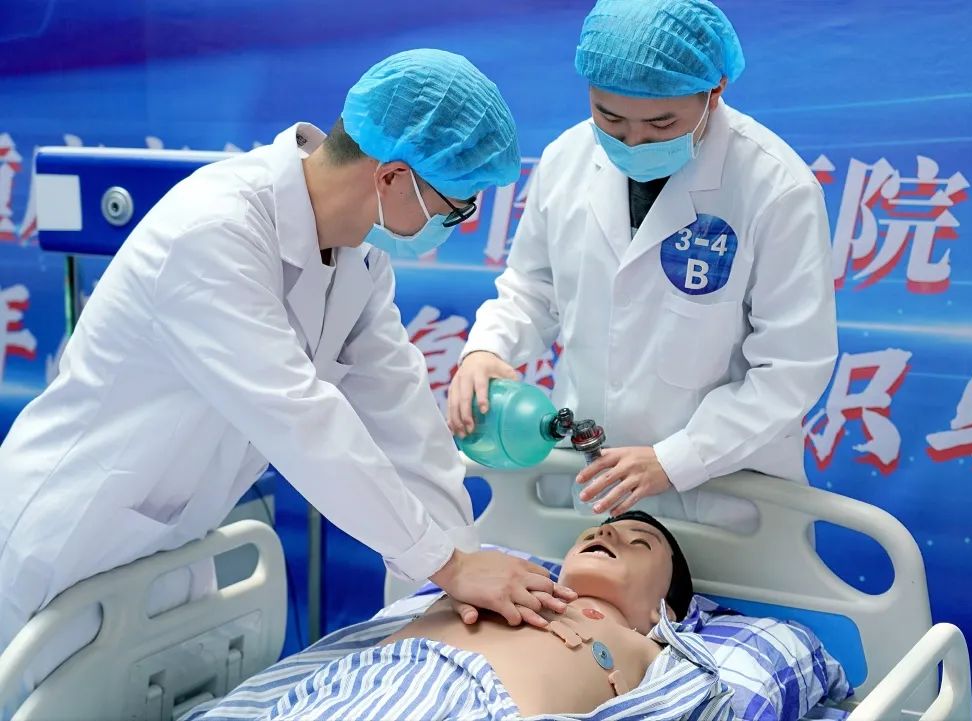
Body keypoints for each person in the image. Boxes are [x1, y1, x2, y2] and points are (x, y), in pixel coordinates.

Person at [0, 49, 576, 671]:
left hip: (159, 551)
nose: (455, 224)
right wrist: (448, 566)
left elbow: (402, 413)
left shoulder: (359, 256)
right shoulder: (214, 233)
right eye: (453, 207)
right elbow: (302, 421)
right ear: (391, 178)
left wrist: (457, 567)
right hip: (62, 541)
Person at [448, 0, 837, 529]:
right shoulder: (566, 159)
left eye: (661, 122)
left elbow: (792, 367)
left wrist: (678, 458)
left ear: (715, 91)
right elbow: (532, 288)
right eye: (610, 118)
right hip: (588, 487)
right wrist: (489, 349)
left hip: (719, 496)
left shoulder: (776, 188)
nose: (634, 141)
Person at [187, 511, 733, 721]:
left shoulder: (659, 652)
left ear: (665, 610)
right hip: (369, 679)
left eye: (638, 542)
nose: (606, 530)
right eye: (594, 531)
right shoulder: (493, 573)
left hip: (482, 706)